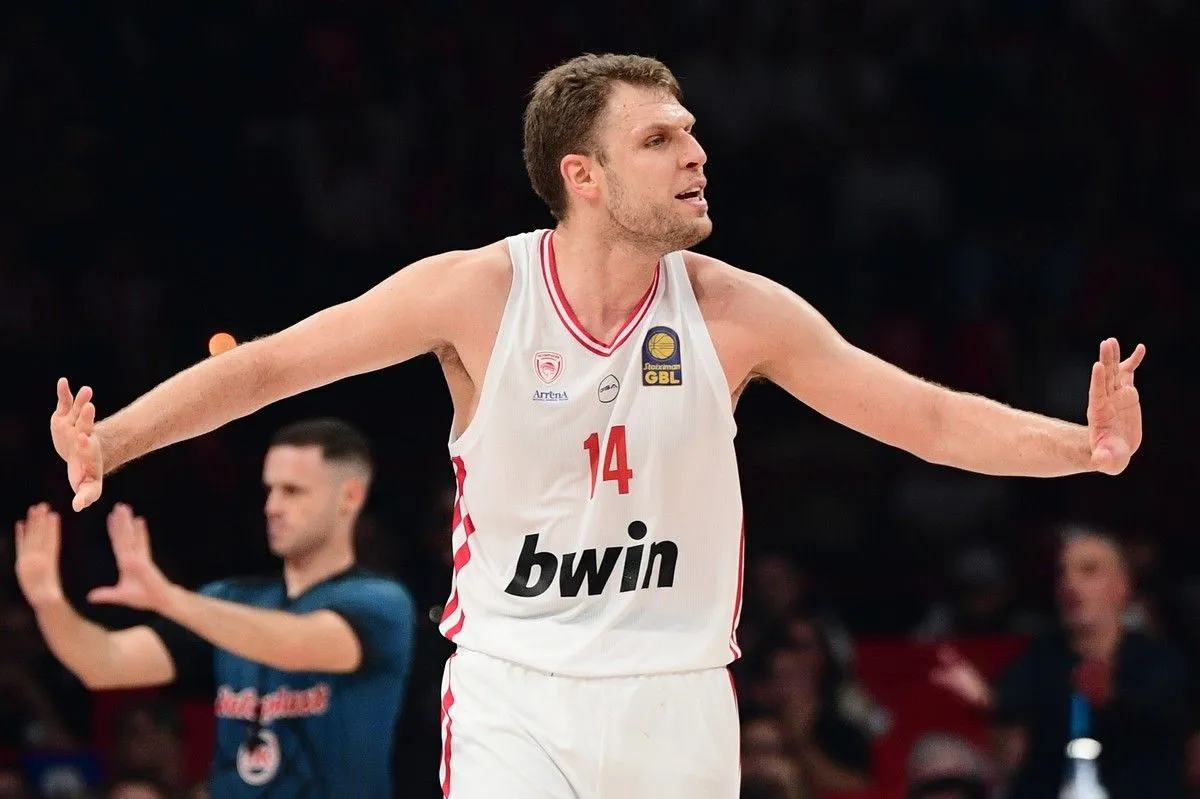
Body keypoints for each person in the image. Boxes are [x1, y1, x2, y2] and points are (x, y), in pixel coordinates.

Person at [48, 53, 1145, 799]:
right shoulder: (478, 294)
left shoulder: (734, 310)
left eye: (693, 133)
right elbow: (268, 366)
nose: (697, 154)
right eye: (661, 139)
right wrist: (115, 439)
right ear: (583, 174)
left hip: (678, 693)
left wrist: (1081, 446)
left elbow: (925, 417)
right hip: (514, 687)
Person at [19, 419, 417, 798]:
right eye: (270, 490)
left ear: (350, 497)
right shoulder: (228, 599)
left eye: (293, 491)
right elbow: (103, 664)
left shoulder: (380, 602)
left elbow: (297, 644)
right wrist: (49, 603)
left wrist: (170, 597)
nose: (272, 506)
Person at [931, 528, 1193, 798]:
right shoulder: (1039, 659)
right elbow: (1007, 706)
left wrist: (1112, 698)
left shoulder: (1161, 660)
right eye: (1062, 573)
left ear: (1123, 585)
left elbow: (1162, 717)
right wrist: (983, 699)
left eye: (1088, 571)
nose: (1071, 584)